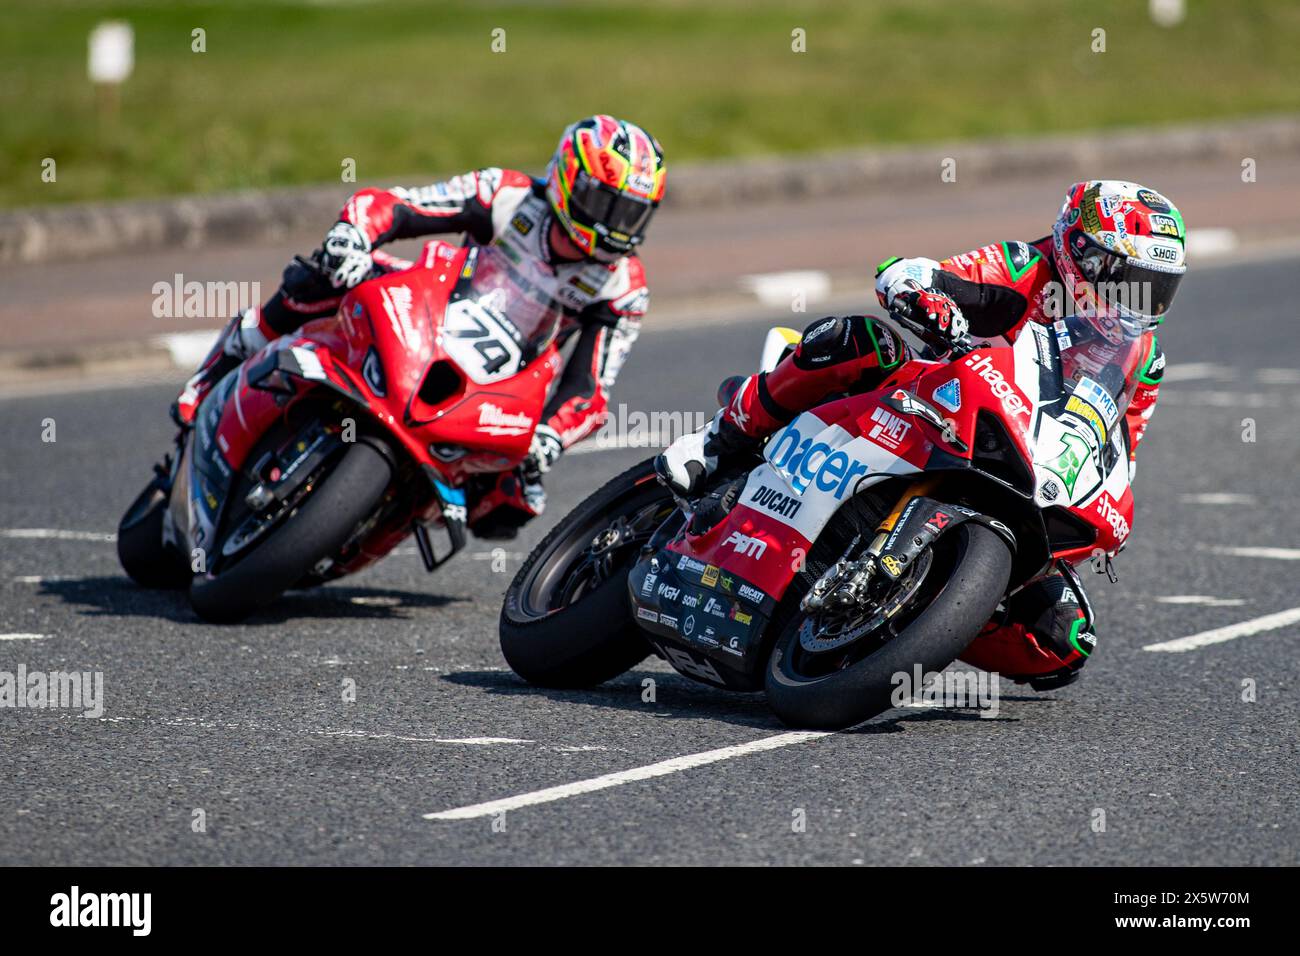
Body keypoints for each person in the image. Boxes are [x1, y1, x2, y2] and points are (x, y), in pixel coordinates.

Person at [657, 180, 1185, 688]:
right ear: (1083, 257)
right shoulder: (1028, 267)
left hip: (1024, 468)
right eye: (1127, 277)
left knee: (1062, 638)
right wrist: (923, 296)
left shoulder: (1145, 360)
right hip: (934, 406)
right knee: (857, 340)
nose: (1140, 299)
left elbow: (1121, 445)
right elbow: (909, 273)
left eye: (1158, 286)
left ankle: (916, 615)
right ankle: (717, 439)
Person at [173, 115, 666, 538]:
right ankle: (220, 367)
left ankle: (371, 524)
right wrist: (353, 235)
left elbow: (590, 390)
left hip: (500, 385)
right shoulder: (507, 195)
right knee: (319, 276)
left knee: (516, 500)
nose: (616, 226)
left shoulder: (623, 286)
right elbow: (397, 206)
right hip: (432, 310)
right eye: (607, 206)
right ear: (567, 179)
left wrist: (551, 437)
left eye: (632, 213)